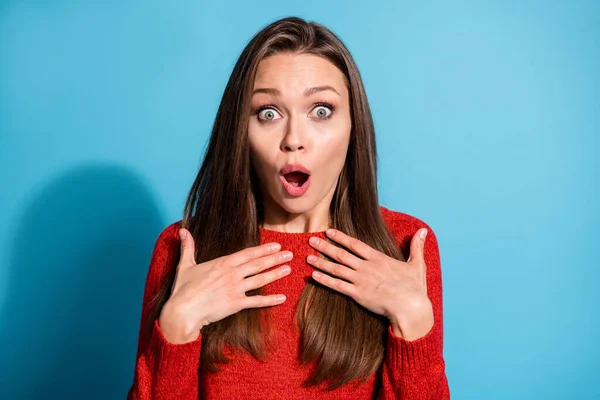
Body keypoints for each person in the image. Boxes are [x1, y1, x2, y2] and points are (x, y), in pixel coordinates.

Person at [127, 16, 450, 399]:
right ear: (240, 132)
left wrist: (413, 322)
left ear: (353, 127)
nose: (294, 139)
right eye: (268, 113)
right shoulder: (185, 249)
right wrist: (178, 325)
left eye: (321, 111)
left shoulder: (404, 245)